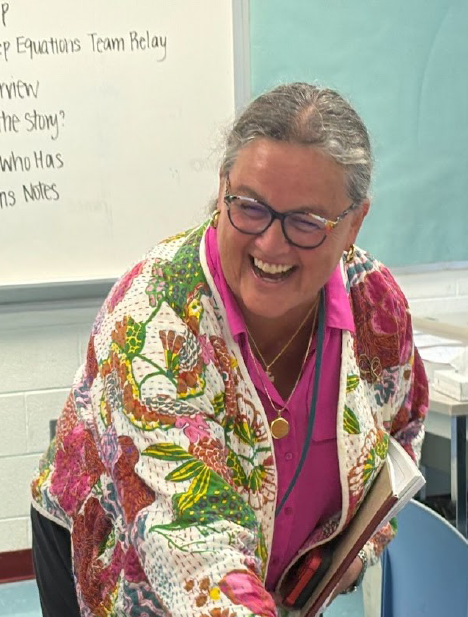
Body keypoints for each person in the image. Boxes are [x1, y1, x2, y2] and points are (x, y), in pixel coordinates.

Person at [30, 82, 428, 616]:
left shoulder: (372, 302)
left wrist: (355, 550)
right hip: (127, 544)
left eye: (306, 222)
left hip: (265, 568)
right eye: (251, 207)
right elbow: (190, 544)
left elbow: (398, 439)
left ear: (353, 222)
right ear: (222, 190)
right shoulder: (155, 316)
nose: (270, 244)